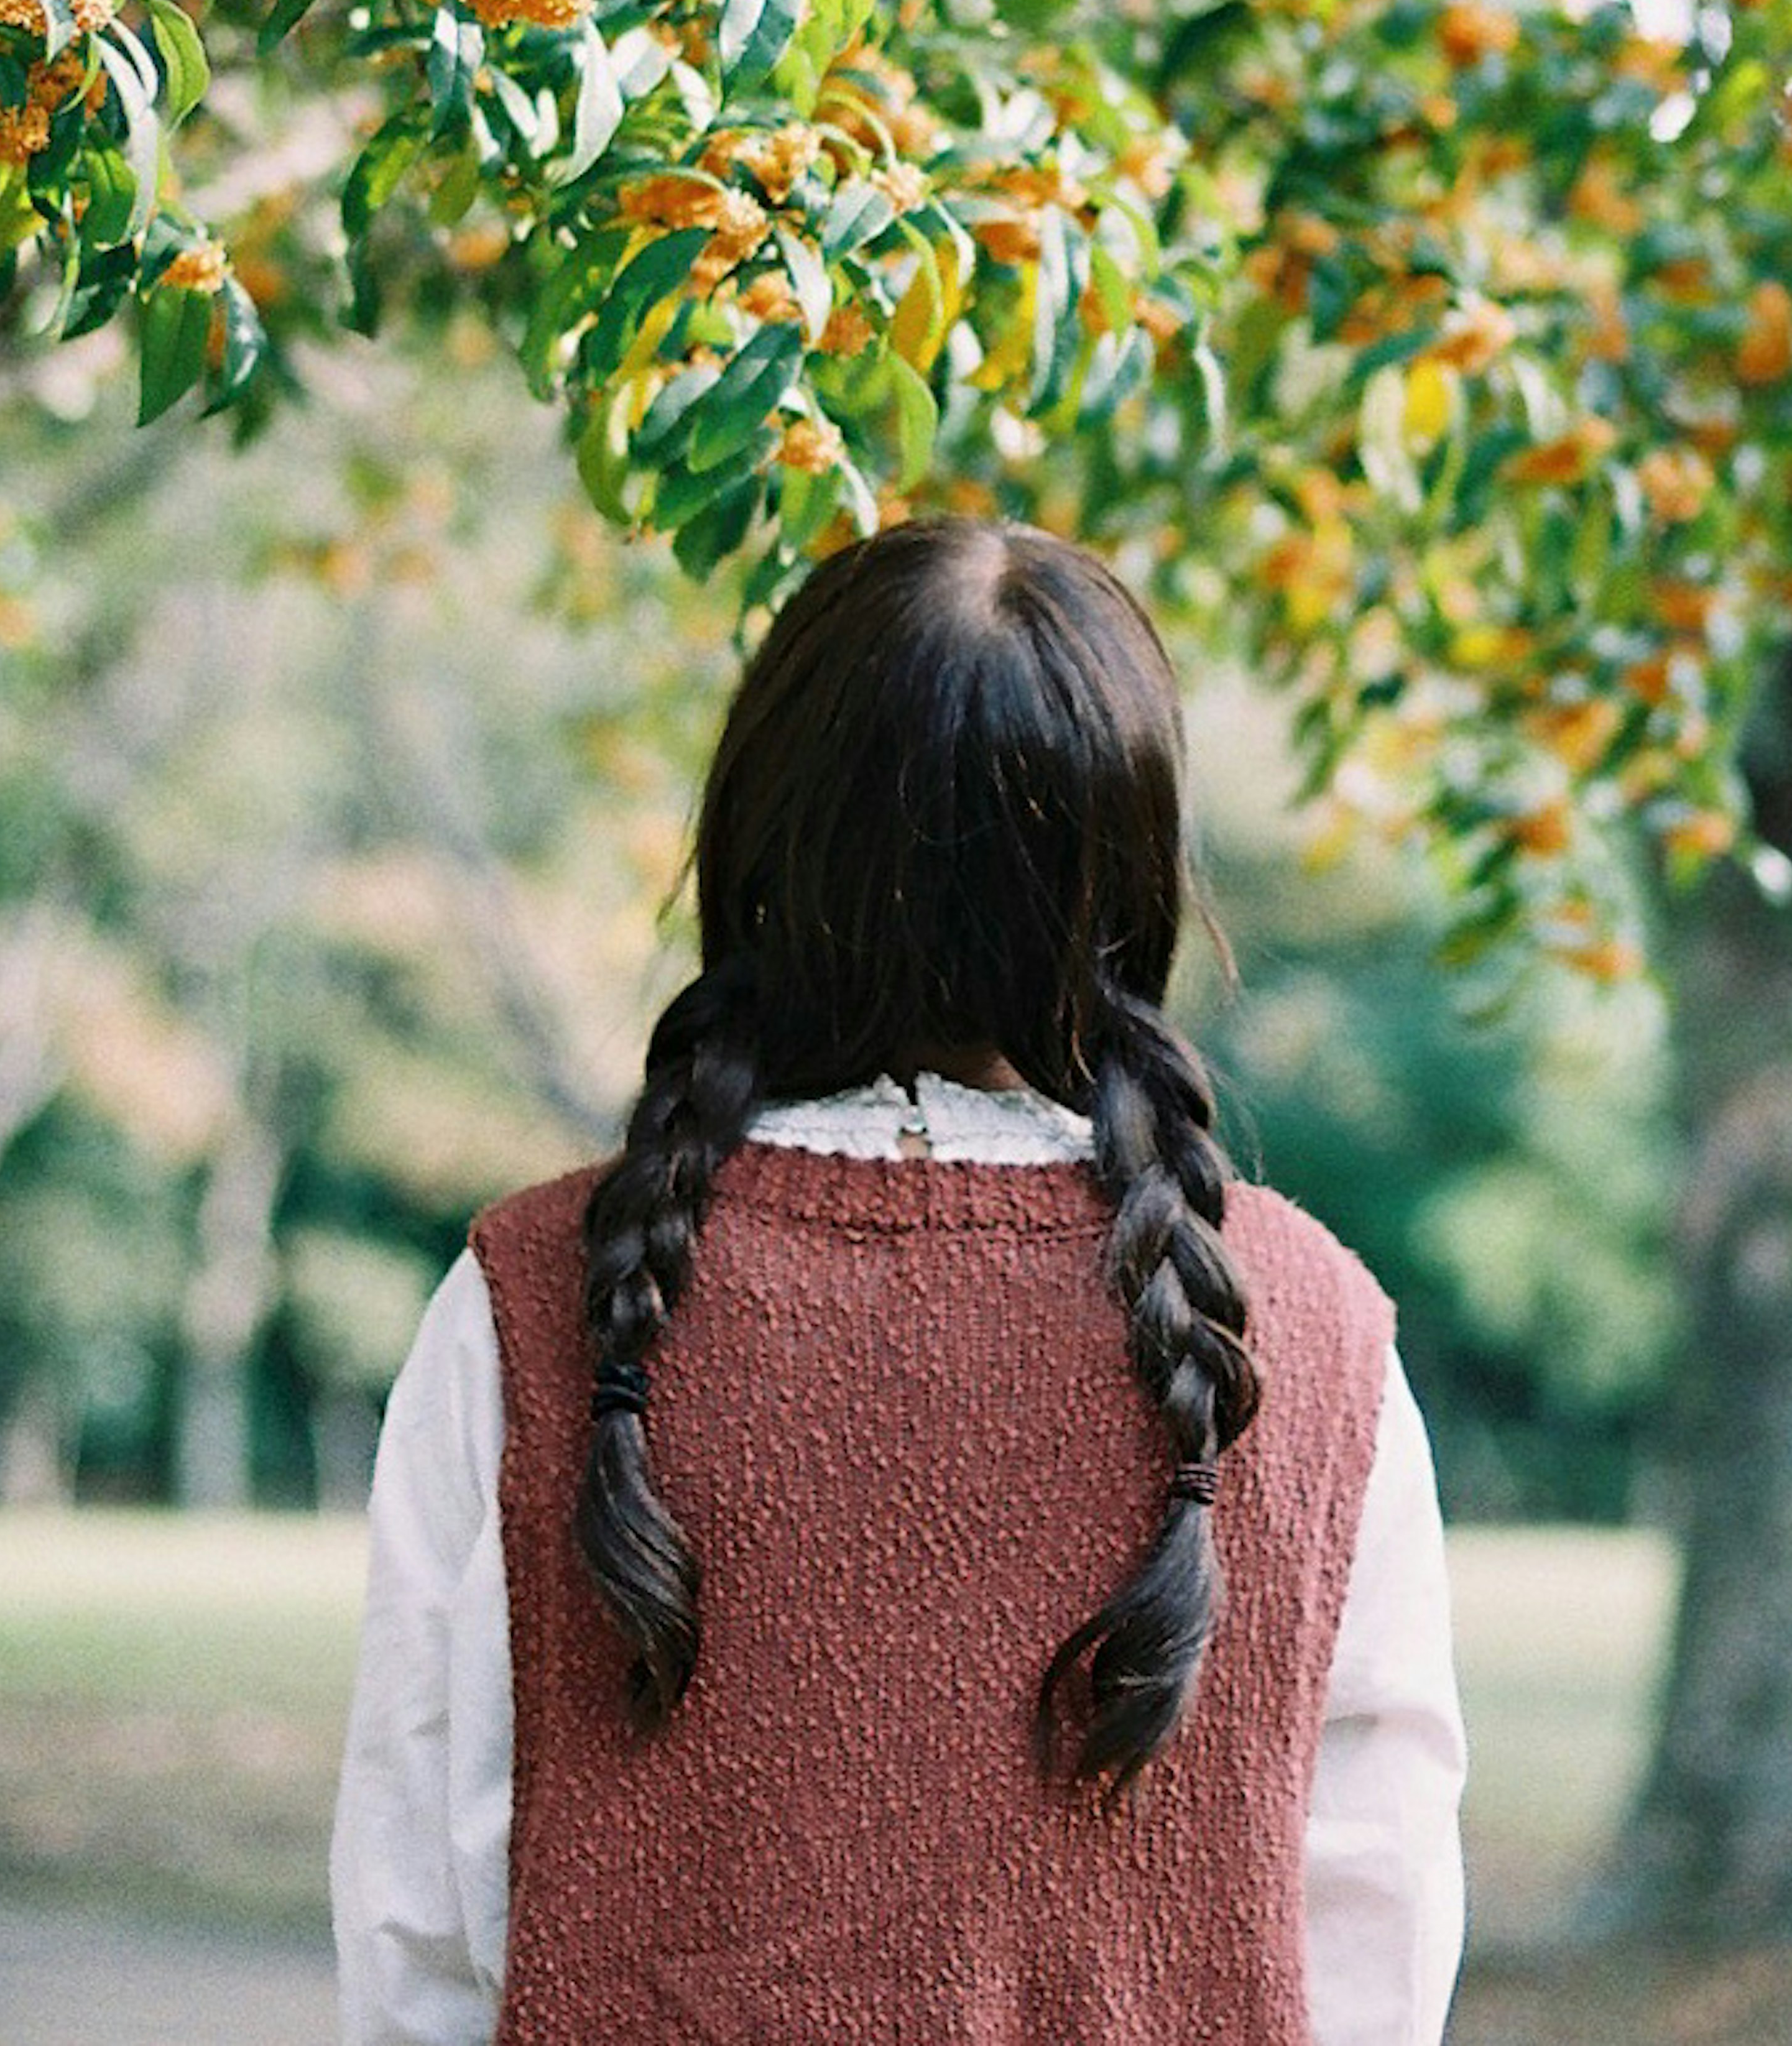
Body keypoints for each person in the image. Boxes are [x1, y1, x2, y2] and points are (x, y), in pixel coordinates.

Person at [331, 514, 1467, 2045]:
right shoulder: (1312, 1333)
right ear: (1129, 872)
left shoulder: (539, 1301)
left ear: (761, 835)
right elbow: (1375, 1944)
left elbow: (423, 1922)